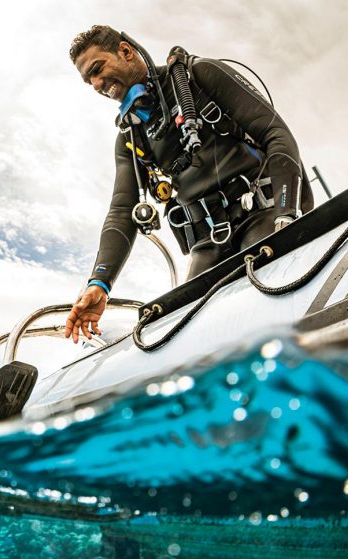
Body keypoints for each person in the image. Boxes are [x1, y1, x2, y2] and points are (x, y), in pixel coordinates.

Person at [64, 25, 314, 343]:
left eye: (98, 69)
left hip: (262, 215)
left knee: (267, 308)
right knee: (188, 333)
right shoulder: (130, 137)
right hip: (207, 243)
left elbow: (276, 134)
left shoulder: (198, 76)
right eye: (89, 81)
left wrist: (285, 213)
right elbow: (123, 210)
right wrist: (99, 283)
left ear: (126, 51)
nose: (97, 84)